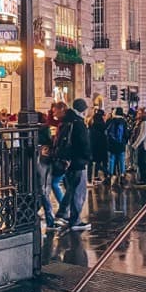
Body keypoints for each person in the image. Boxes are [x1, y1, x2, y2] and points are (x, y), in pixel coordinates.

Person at [55, 98, 91, 230]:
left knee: (71, 189)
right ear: (83, 109)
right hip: (78, 161)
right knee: (78, 191)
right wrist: (87, 157)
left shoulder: (66, 121)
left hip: (67, 161)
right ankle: (74, 220)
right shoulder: (78, 123)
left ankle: (62, 213)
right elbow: (84, 143)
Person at [105, 107, 130, 184]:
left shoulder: (110, 121)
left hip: (112, 144)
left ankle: (109, 176)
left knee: (111, 159)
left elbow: (106, 132)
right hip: (121, 144)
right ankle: (122, 175)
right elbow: (126, 134)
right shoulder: (124, 122)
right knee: (121, 160)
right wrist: (125, 142)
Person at [88, 107, 108, 184]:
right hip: (103, 147)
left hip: (94, 147)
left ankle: (92, 177)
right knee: (101, 163)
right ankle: (105, 174)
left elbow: (91, 138)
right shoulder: (103, 126)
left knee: (93, 163)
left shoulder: (93, 127)